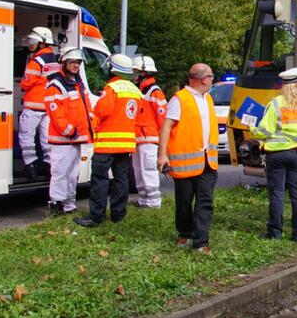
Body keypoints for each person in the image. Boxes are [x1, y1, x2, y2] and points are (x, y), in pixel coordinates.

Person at [250, 67, 297, 242]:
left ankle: (275, 233)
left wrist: (252, 127)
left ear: (283, 85)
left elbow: (265, 130)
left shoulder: (275, 104)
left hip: (277, 155)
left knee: (277, 194)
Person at [157, 64, 218, 254]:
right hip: (185, 162)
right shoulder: (180, 99)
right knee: (184, 202)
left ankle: (201, 242)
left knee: (205, 202)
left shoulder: (208, 98)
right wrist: (162, 155)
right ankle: (184, 233)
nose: (212, 80)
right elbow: (166, 127)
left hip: (208, 160)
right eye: (211, 76)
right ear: (203, 79)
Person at [75, 54, 142, 227]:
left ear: (113, 68)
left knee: (100, 179)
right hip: (126, 144)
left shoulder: (112, 87)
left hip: (107, 143)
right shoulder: (136, 90)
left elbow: (102, 110)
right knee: (121, 179)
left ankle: (96, 216)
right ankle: (118, 214)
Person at [44, 47, 94, 216]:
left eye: (78, 63)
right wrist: (69, 130)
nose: (76, 66)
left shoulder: (78, 83)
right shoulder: (55, 84)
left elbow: (87, 110)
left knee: (73, 174)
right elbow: (56, 113)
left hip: (77, 139)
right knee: (60, 173)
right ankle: (56, 205)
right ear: (64, 63)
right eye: (73, 62)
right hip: (63, 140)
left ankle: (69, 204)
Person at [19, 26, 58, 179]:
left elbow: (25, 84)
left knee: (26, 137)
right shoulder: (55, 60)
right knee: (46, 139)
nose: (30, 43)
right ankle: (49, 167)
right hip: (48, 106)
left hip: (33, 106)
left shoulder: (36, 61)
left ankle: (31, 167)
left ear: (42, 43)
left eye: (33, 40)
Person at [132, 55, 167, 208]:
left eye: (136, 71)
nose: (133, 75)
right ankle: (144, 200)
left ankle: (153, 202)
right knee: (139, 172)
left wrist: (163, 142)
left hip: (149, 139)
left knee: (148, 171)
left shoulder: (154, 91)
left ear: (144, 73)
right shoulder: (140, 90)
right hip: (138, 139)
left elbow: (162, 117)